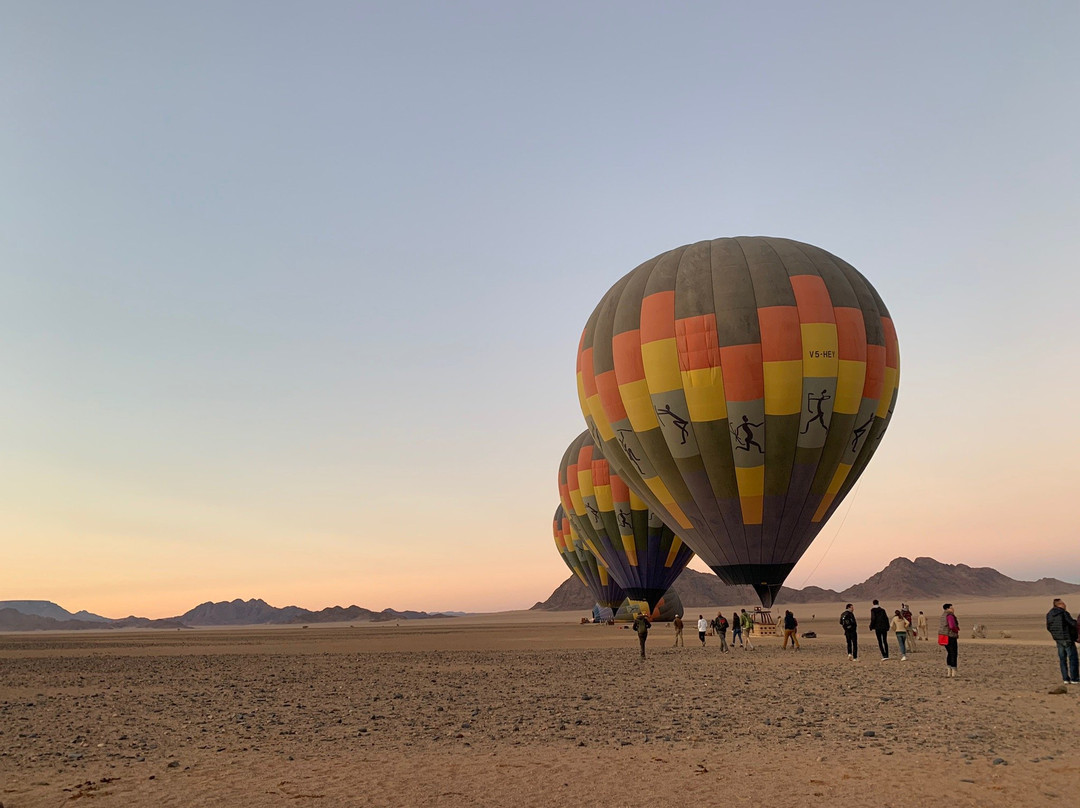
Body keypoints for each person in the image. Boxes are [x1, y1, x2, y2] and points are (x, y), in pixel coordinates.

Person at [1046, 598, 1079, 685]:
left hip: (1058, 640)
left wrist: (1056, 635)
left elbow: (1048, 627)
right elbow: (1072, 624)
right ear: (1059, 604)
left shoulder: (1049, 614)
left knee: (1062, 659)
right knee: (1073, 659)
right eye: (1063, 603)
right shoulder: (1063, 613)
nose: (1065, 605)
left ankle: (1065, 679)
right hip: (1067, 639)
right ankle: (1074, 679)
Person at [939, 603, 959, 677]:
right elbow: (952, 626)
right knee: (953, 653)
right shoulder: (950, 616)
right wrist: (956, 630)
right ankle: (953, 672)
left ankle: (949, 672)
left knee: (949, 653)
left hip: (944, 636)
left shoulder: (943, 616)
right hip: (951, 636)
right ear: (947, 609)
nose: (953, 609)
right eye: (951, 608)